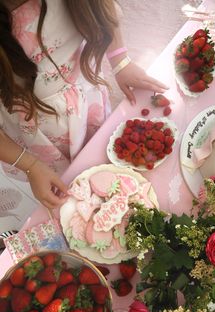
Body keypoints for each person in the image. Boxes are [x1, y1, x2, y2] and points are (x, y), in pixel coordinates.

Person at [0, 0, 168, 210]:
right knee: (71, 190)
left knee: (104, 152)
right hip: (36, 136)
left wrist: (120, 60)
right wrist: (31, 166)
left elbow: (100, 8)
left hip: (86, 98)